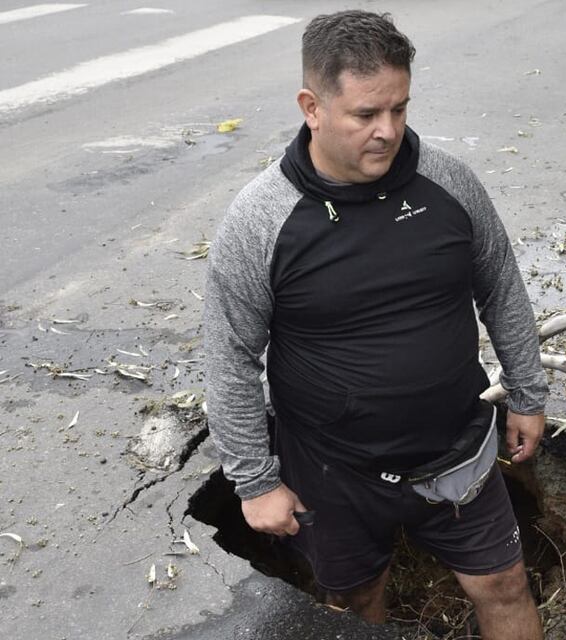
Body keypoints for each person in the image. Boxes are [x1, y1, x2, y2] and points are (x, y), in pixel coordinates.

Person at [203, 10, 548, 639]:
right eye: (366, 114)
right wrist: (255, 481)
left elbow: (500, 283)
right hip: (332, 474)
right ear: (312, 105)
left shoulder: (448, 184)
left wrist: (527, 391)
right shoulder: (261, 220)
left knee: (504, 585)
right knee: (357, 604)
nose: (387, 131)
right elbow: (229, 355)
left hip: (457, 452)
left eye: (400, 108)